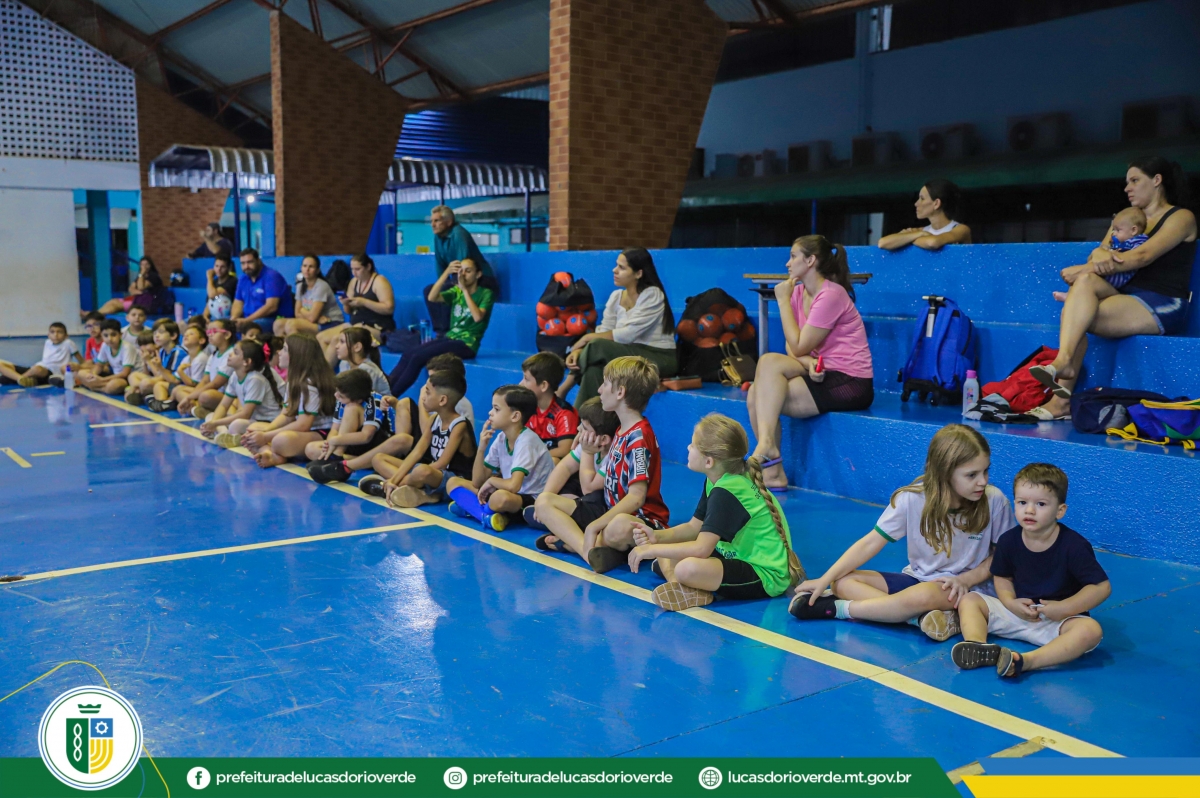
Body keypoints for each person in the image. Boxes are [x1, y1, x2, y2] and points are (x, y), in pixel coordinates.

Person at [789, 424, 1014, 642]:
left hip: (964, 589)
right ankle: (918, 618)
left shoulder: (994, 501)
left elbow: (1002, 557)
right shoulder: (912, 499)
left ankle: (840, 609)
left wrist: (965, 579)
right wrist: (825, 580)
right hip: (917, 581)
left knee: (923, 595)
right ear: (944, 473)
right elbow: (870, 543)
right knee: (842, 582)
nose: (983, 481)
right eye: (972, 475)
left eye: (986, 471)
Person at [1031, 157, 1197, 420]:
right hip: (1125, 296)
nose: (1127, 188)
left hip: (1162, 302)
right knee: (1084, 287)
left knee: (1076, 309)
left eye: (1135, 180)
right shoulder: (1126, 218)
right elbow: (1098, 256)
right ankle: (1063, 364)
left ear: (1157, 181)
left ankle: (1061, 396)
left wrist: (1086, 267)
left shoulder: (1181, 217)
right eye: (1127, 182)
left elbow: (1142, 256)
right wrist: (1094, 259)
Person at [628, 414, 805, 611]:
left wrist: (651, 550)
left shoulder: (727, 492)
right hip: (734, 556)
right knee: (668, 552)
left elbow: (701, 549)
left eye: (693, 445)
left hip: (765, 574)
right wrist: (656, 537)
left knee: (686, 568)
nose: (688, 447)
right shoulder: (718, 479)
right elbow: (694, 527)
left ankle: (686, 586)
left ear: (709, 462)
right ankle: (682, 587)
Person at [953, 463, 1110, 678]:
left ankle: (1027, 661)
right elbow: (1002, 576)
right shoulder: (1008, 541)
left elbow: (1101, 587)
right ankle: (978, 645)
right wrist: (1010, 602)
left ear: (1060, 510)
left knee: (1090, 631)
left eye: (1041, 504)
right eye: (1022, 502)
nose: (1029, 510)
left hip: (1057, 622)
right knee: (970, 600)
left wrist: (1065, 608)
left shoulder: (1074, 546)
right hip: (1018, 613)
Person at [747, 235, 874, 490]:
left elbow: (797, 345)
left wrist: (782, 301)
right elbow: (790, 346)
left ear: (810, 260)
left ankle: (770, 456)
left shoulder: (831, 295)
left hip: (850, 381)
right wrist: (807, 364)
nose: (787, 263)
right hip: (820, 368)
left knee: (757, 395)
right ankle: (772, 468)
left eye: (793, 256)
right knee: (764, 371)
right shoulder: (799, 292)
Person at [533, 356, 670, 573]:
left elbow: (637, 498)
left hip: (640, 519)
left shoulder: (639, 437)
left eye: (605, 384)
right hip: (608, 509)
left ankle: (577, 543)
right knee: (544, 501)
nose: (599, 389)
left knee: (619, 526)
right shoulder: (621, 429)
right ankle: (589, 552)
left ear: (620, 392)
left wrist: (594, 526)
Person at [564, 248, 677, 408]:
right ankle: (585, 420)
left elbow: (628, 335)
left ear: (638, 273)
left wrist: (586, 339)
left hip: (658, 358)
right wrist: (580, 350)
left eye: (622, 267)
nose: (614, 270)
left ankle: (564, 388)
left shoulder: (652, 294)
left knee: (597, 345)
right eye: (616, 265)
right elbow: (605, 329)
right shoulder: (616, 296)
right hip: (628, 353)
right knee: (594, 370)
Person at [361, 369, 476, 505]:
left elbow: (442, 464)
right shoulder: (434, 419)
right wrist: (394, 479)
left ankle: (390, 487)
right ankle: (403, 487)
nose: (423, 397)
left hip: (454, 479)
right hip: (432, 472)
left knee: (422, 471)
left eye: (427, 392)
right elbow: (417, 452)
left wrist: (401, 477)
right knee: (378, 458)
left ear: (442, 400)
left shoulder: (459, 425)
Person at [445, 385, 552, 531]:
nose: (490, 413)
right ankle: (486, 516)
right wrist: (481, 448)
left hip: (530, 499)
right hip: (509, 491)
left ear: (515, 416)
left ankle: (474, 510)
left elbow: (514, 485)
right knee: (453, 482)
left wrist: (491, 481)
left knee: (499, 498)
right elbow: (477, 482)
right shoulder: (502, 437)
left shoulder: (527, 441)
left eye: (496, 409)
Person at [387, 259, 494, 397]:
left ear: (478, 274)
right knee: (409, 353)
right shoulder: (456, 291)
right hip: (450, 338)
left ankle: (390, 397)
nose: (463, 275)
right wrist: (446, 273)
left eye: (468, 271)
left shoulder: (486, 293)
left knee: (418, 357)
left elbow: (477, 317)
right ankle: (384, 391)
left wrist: (465, 291)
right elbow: (432, 297)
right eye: (461, 271)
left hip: (467, 344)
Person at [237, 335, 337, 468]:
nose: (279, 352)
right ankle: (271, 454)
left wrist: (266, 437)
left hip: (321, 432)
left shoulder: (309, 384)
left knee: (281, 440)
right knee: (253, 429)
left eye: (284, 349)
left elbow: (303, 425)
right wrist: (266, 430)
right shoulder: (294, 381)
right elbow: (286, 415)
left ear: (296, 356)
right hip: (305, 431)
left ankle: (272, 451)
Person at [524, 397, 620, 529]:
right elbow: (565, 468)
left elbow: (588, 489)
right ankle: (558, 516)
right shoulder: (591, 442)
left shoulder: (614, 455)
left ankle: (561, 523)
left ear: (603, 439)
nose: (578, 429)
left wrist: (587, 452)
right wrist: (543, 498)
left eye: (584, 427)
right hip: (583, 497)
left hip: (602, 503)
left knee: (595, 496)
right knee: (565, 484)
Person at [426, 205, 499, 334]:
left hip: (480, 278)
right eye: (432, 221)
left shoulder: (459, 234)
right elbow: (440, 266)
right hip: (460, 276)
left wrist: (453, 283)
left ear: (449, 222)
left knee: (447, 289)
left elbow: (464, 266)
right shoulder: (438, 238)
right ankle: (441, 332)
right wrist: (441, 283)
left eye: (437, 221)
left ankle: (449, 332)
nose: (433, 224)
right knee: (429, 290)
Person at [316, 254, 396, 360]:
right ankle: (325, 368)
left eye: (357, 269)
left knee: (337, 339)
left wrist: (364, 302)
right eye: (352, 269)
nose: (354, 273)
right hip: (355, 325)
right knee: (321, 337)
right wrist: (346, 303)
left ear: (368, 267)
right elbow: (348, 311)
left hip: (378, 329)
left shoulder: (379, 282)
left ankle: (326, 370)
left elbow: (389, 308)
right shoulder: (354, 282)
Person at [202, 339, 284, 440]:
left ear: (247, 362)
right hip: (252, 420)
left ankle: (223, 433)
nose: (230, 354)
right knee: (210, 416)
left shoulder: (255, 379)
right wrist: (213, 422)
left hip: (268, 422)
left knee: (236, 424)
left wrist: (215, 423)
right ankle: (223, 434)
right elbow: (223, 405)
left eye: (235, 353)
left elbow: (245, 414)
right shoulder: (234, 376)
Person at [301, 369, 386, 464]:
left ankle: (339, 456)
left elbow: (366, 436)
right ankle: (360, 461)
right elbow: (334, 430)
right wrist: (329, 444)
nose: (335, 395)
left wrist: (336, 440)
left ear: (358, 400)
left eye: (341, 396)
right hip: (351, 442)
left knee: (351, 408)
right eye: (336, 391)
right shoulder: (342, 399)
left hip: (374, 443)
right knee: (311, 449)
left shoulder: (374, 401)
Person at [877, 179, 972, 250]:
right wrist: (921, 234)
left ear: (936, 203)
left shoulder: (961, 229)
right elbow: (883, 243)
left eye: (922, 199)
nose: (916, 204)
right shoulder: (920, 231)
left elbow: (933, 242)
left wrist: (907, 239)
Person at [520, 352, 579, 463]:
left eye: (526, 379)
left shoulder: (563, 413)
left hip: (558, 466)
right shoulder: (528, 408)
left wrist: (532, 456)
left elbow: (565, 450)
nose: (521, 384)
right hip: (533, 461)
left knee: (554, 461)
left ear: (543, 386)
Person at [175, 319, 235, 415]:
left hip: (226, 396)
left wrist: (189, 397)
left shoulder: (231, 354)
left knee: (205, 396)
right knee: (178, 390)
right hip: (214, 392)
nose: (210, 334)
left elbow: (215, 384)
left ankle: (197, 408)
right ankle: (198, 409)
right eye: (209, 331)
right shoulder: (213, 355)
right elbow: (205, 381)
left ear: (227, 335)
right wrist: (192, 396)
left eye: (214, 331)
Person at [275, 254, 344, 337]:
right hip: (317, 321)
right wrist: (316, 318)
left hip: (331, 322)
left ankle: (299, 345)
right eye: (305, 266)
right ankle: (283, 345)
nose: (307, 269)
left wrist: (302, 309)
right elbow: (297, 313)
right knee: (278, 324)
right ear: (301, 268)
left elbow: (312, 317)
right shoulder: (300, 286)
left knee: (292, 325)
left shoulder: (321, 286)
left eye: (311, 267)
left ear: (317, 270)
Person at [148, 323, 209, 412]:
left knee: (178, 391)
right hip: (186, 388)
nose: (186, 336)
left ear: (201, 340)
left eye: (191, 334)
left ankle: (192, 407)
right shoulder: (186, 358)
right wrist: (159, 367)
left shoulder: (201, 358)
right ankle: (164, 403)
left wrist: (180, 372)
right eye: (185, 334)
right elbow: (175, 380)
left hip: (199, 390)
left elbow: (193, 384)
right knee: (160, 385)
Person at [232, 248, 293, 337]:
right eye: (243, 263)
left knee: (249, 329)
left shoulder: (271, 276)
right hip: (249, 318)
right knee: (221, 326)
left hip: (271, 319)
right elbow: (238, 303)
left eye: (250, 262)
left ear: (258, 261)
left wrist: (247, 321)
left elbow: (271, 307)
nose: (246, 266)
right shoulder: (243, 278)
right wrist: (233, 319)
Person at [0, 322, 81, 387]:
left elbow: (81, 360)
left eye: (59, 332)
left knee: (37, 369)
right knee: (1, 367)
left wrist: (78, 367)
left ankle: (19, 379)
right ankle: (20, 379)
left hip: (50, 372)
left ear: (66, 335)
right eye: (52, 332)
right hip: (35, 368)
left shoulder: (68, 343)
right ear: (48, 335)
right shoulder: (48, 342)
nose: (55, 335)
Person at [125, 321, 185, 405]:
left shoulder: (177, 352)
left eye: (161, 332)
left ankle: (140, 393)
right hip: (164, 379)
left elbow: (168, 378)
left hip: (175, 384)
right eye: (155, 333)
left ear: (173, 336)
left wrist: (149, 362)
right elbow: (156, 374)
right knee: (133, 375)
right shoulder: (162, 351)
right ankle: (141, 393)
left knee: (146, 383)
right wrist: (146, 362)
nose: (156, 335)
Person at [77, 319, 140, 395]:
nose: (110, 339)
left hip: (127, 379)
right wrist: (93, 375)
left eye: (113, 335)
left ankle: (94, 387)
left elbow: (125, 373)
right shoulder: (105, 345)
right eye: (106, 335)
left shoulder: (127, 347)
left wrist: (102, 379)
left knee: (115, 385)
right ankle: (100, 387)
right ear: (102, 336)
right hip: (113, 376)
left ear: (120, 335)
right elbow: (99, 365)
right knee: (81, 373)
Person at [91, 257, 170, 317]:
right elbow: (131, 288)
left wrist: (142, 274)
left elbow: (141, 287)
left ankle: (94, 316)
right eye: (142, 264)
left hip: (148, 304)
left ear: (150, 265)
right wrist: (139, 292)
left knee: (115, 306)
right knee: (113, 301)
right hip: (137, 299)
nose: (144, 267)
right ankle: (95, 314)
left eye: (146, 264)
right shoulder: (140, 277)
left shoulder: (153, 276)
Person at [334, 327, 390, 396]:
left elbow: (364, 398)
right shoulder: (344, 364)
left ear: (357, 347)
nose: (336, 346)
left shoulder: (367, 369)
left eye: (342, 342)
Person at [204, 255, 238, 321]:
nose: (219, 269)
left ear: (228, 268)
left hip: (227, 317)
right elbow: (209, 303)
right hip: (213, 316)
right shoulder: (214, 282)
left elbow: (212, 295)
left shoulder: (233, 281)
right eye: (216, 266)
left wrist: (209, 277)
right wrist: (205, 317)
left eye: (222, 267)